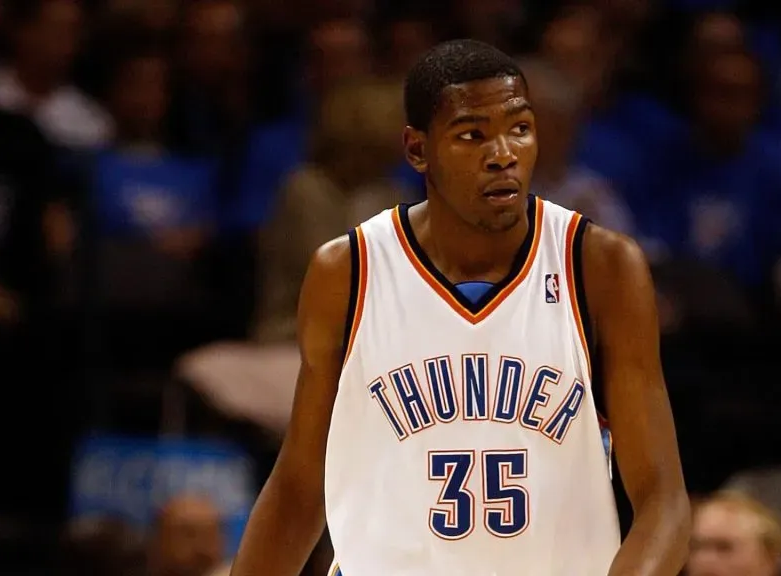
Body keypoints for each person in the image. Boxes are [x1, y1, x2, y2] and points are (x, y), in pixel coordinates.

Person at [230, 39, 690, 575]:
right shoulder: (349, 272)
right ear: (417, 150)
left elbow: (664, 500)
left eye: (520, 128)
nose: (503, 154)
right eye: (473, 135)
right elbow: (300, 488)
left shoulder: (599, 267)